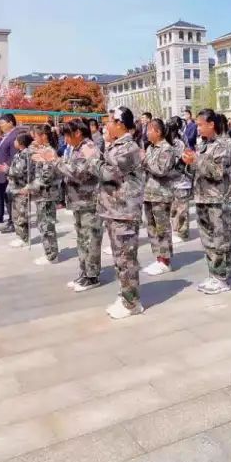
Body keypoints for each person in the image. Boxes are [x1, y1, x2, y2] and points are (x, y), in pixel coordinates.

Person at [98, 107, 146, 319]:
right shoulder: (116, 145)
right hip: (114, 210)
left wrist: (93, 159)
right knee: (119, 258)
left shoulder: (129, 147)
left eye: (110, 121)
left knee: (126, 259)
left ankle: (132, 303)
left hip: (124, 211)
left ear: (120, 124)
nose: (106, 125)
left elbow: (108, 173)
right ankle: (125, 294)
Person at [47, 119, 103, 292]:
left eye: (67, 135)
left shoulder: (88, 148)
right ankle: (84, 272)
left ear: (78, 133)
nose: (65, 139)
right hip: (79, 201)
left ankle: (92, 275)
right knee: (82, 239)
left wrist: (55, 161)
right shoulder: (77, 149)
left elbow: (78, 173)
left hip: (89, 201)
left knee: (90, 239)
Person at [182, 108, 231, 294]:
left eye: (200, 125)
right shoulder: (203, 145)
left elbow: (218, 172)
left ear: (211, 124)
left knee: (220, 239)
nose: (198, 128)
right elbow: (197, 170)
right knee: (207, 239)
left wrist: (196, 160)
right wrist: (189, 163)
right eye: (197, 125)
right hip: (202, 197)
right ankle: (214, 274)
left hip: (217, 199)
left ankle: (222, 278)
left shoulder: (222, 145)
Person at [141, 118, 177, 276]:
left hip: (161, 194)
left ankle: (165, 261)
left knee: (162, 229)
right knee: (152, 228)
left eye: (149, 130)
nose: (146, 133)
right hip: (149, 193)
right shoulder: (150, 148)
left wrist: (144, 161)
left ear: (158, 132)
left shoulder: (167, 149)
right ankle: (158, 258)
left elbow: (161, 170)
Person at [27, 125, 61, 265]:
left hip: (47, 194)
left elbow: (46, 176)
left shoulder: (48, 151)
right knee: (42, 224)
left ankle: (52, 255)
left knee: (47, 225)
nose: (34, 138)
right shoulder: (41, 149)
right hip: (41, 194)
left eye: (36, 135)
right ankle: (49, 252)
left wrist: (30, 187)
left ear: (43, 136)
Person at [166, 116, 192, 242]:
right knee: (174, 208)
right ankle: (176, 230)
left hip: (181, 179)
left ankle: (181, 233)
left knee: (181, 208)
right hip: (171, 180)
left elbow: (182, 160)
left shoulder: (179, 142)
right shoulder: (170, 141)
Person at [0, 114, 19, 230]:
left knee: (11, 199)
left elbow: (14, 155)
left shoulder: (15, 136)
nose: (1, 126)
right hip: (3, 172)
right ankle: (11, 221)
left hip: (10, 172)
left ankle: (14, 223)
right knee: (7, 198)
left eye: (3, 123)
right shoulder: (7, 136)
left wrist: (7, 166)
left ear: (10, 122)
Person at [6, 134, 33, 248]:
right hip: (15, 188)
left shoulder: (25, 154)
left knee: (22, 215)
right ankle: (20, 236)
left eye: (16, 140)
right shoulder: (19, 153)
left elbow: (20, 171)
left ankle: (24, 238)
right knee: (16, 214)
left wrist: (7, 170)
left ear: (21, 142)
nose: (14, 142)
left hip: (22, 188)